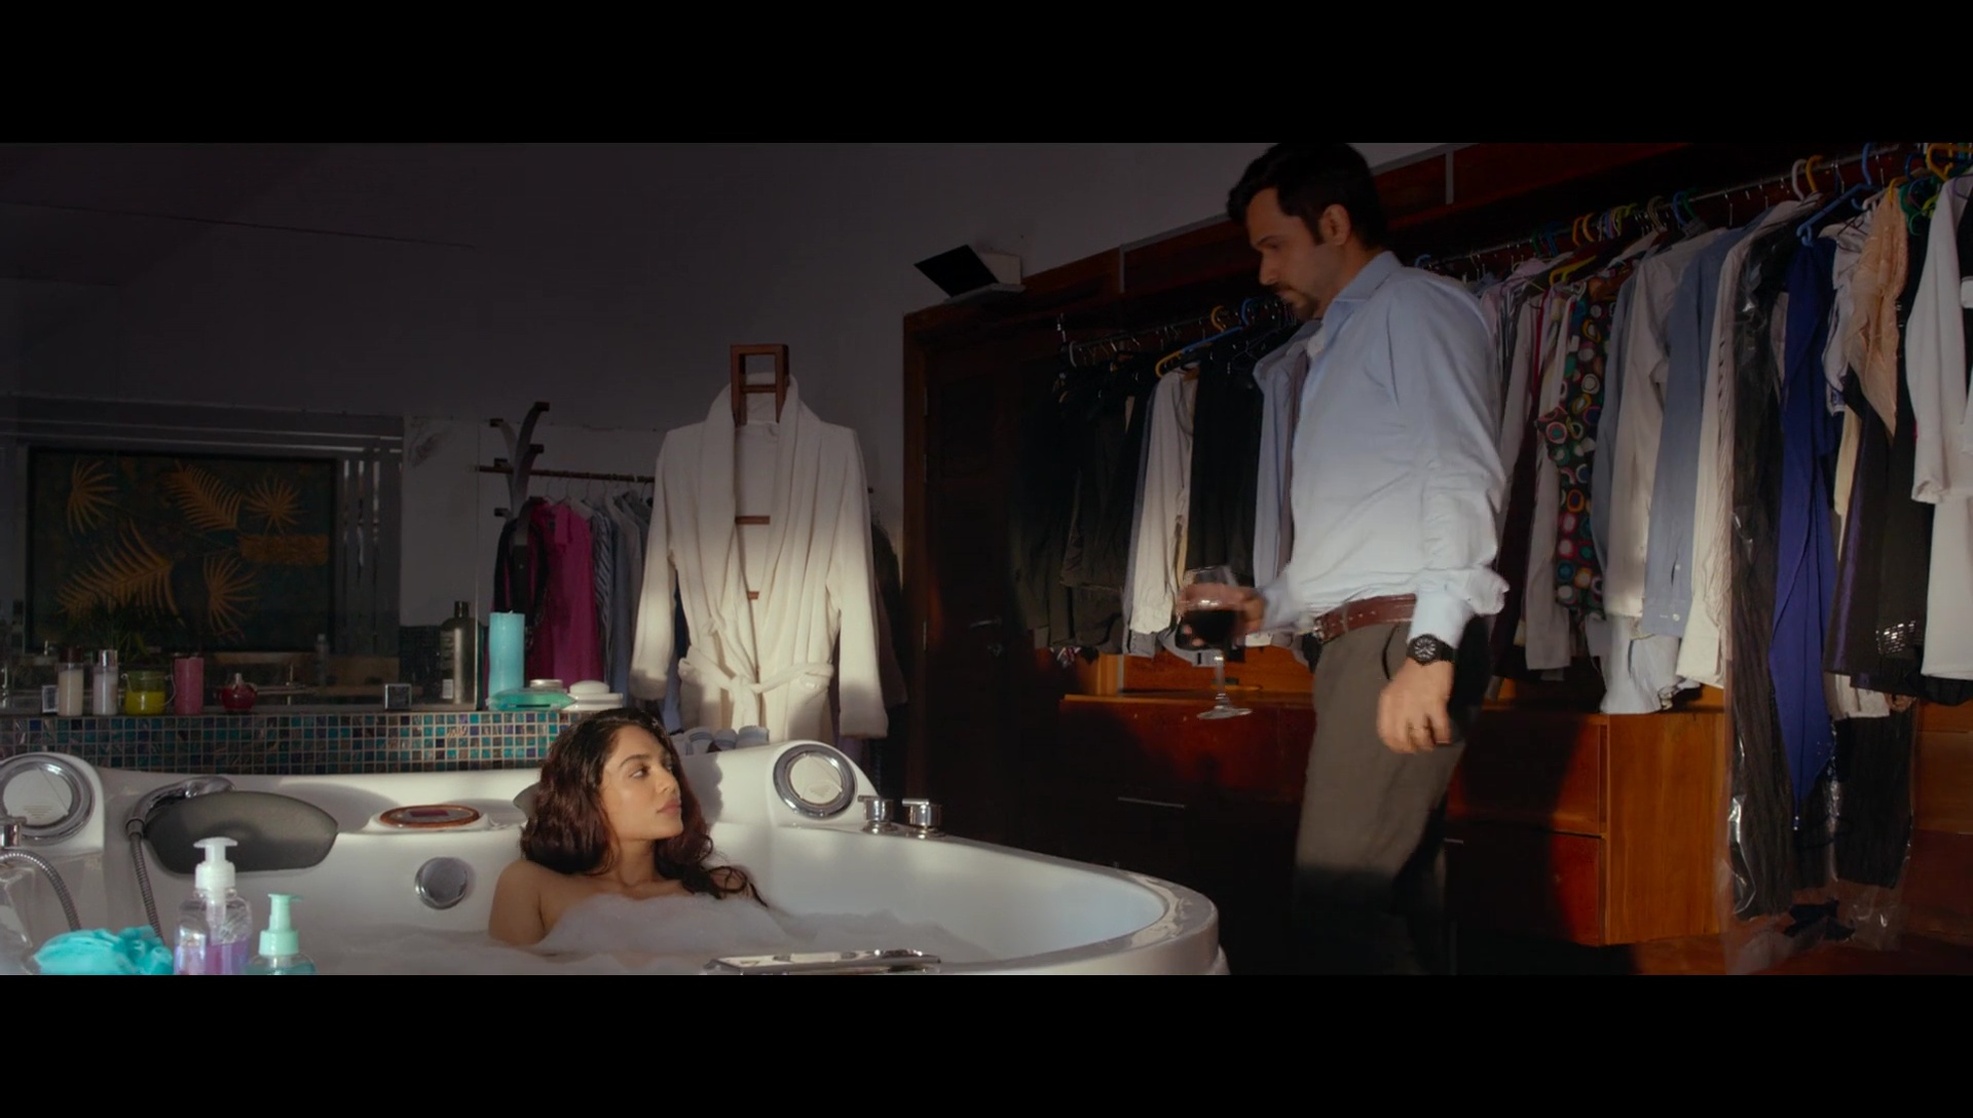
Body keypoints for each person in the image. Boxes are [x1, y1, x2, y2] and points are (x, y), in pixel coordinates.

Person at [1180, 142, 1507, 974]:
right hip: (1366, 641)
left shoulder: (1412, 309)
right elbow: (1363, 528)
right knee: (1394, 902)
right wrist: (1269, 606)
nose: (1263, 273)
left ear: (1332, 223)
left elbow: (1458, 474)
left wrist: (1429, 649)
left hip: (1398, 639)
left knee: (1337, 902)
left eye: (1273, 245)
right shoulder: (1338, 342)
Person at [489, 707, 760, 946]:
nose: (670, 783)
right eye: (640, 772)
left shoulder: (723, 890)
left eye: (667, 766)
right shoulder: (533, 887)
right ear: (586, 794)